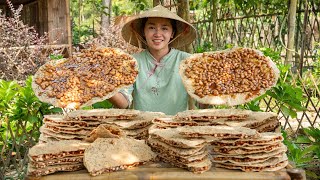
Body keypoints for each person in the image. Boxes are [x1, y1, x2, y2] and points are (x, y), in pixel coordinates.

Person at [108, 5, 197, 115]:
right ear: (144, 32)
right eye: (151, 28)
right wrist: (103, 87)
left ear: (172, 33)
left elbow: (202, 100)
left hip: (176, 127)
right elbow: (124, 102)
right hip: (142, 127)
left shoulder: (187, 61)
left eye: (164, 28)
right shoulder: (132, 62)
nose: (157, 34)